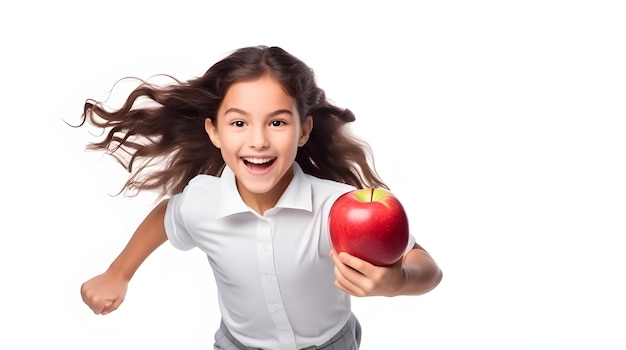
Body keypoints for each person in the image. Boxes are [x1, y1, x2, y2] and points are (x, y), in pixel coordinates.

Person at [78, 45, 442, 350]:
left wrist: (399, 282)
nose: (258, 141)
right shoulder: (202, 205)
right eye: (239, 123)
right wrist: (118, 273)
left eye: (277, 122)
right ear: (214, 132)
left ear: (303, 131)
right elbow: (168, 215)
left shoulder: (337, 207)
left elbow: (426, 267)